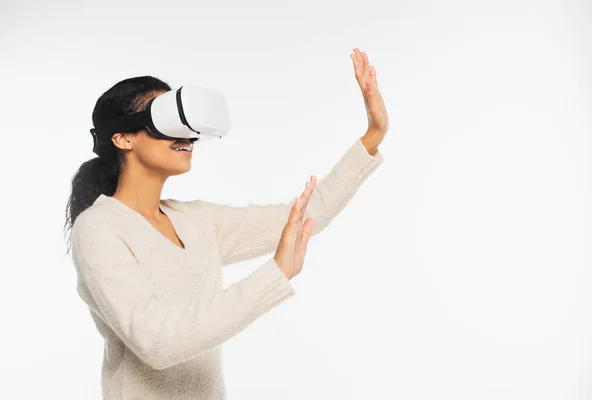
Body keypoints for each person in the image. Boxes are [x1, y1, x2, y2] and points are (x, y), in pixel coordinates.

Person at [64, 47, 388, 400]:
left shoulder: (196, 220)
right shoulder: (98, 229)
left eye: (187, 125)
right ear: (122, 137)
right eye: (167, 122)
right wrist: (274, 274)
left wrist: (373, 135)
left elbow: (307, 217)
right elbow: (157, 342)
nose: (187, 136)